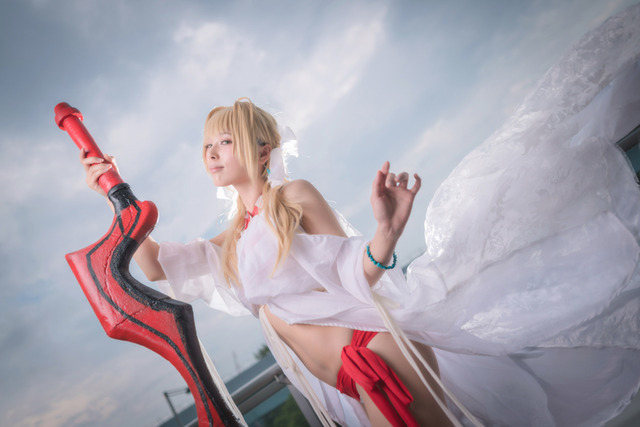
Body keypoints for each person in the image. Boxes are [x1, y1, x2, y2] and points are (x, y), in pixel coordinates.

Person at [81, 4, 640, 426]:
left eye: (223, 141)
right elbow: (154, 264)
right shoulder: (232, 240)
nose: (211, 153)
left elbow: (358, 272)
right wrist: (112, 186)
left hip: (376, 354)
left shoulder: (292, 196)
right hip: (350, 382)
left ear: (262, 149)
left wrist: (387, 232)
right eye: (207, 145)